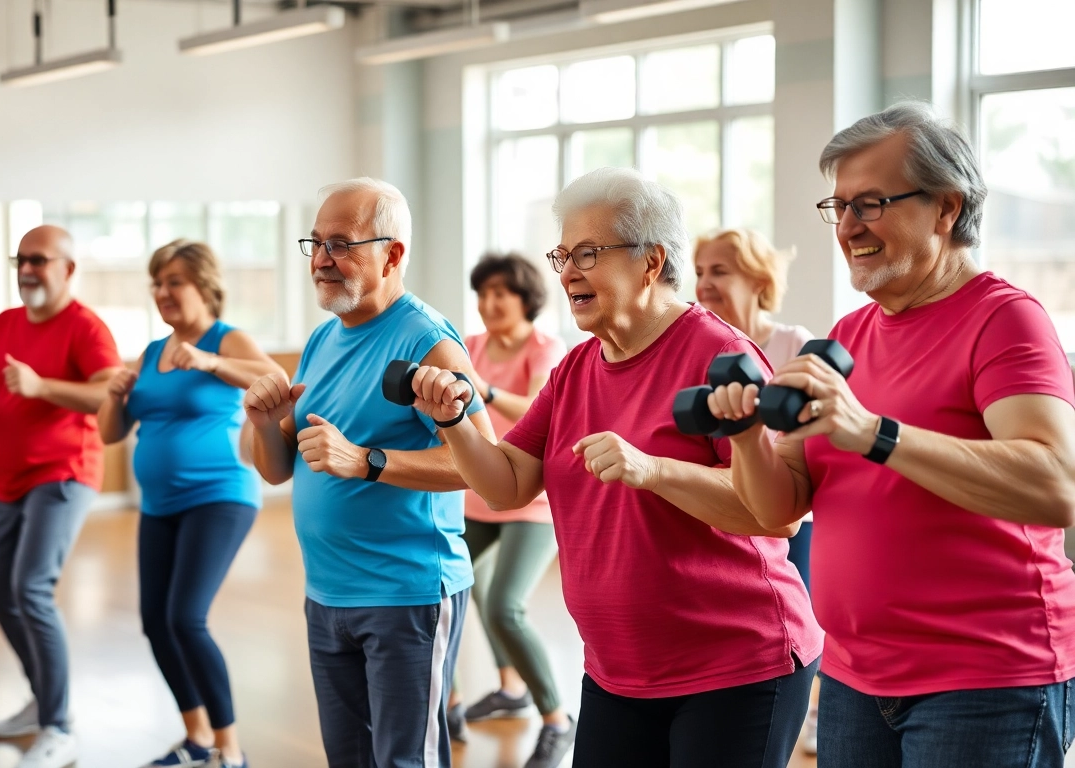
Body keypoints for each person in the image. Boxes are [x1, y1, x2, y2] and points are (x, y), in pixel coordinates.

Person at [409, 167, 822, 768]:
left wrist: (653, 471)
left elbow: (775, 517)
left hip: (737, 665)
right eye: (563, 255)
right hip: (617, 670)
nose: (568, 272)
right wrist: (453, 422)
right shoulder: (575, 370)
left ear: (651, 261)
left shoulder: (721, 354)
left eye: (589, 254)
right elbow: (506, 485)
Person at [712, 102, 1075, 768]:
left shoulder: (1005, 321)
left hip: (986, 677)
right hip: (853, 678)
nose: (848, 226)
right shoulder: (846, 336)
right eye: (840, 206)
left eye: (872, 203)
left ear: (945, 208)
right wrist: (744, 438)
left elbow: (1056, 485)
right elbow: (777, 510)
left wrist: (876, 434)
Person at [242, 177, 495, 768]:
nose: (323, 260)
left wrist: (365, 461)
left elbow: (485, 464)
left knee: (406, 760)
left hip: (407, 593)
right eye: (316, 243)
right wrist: (265, 424)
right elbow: (278, 471)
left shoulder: (429, 343)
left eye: (342, 244)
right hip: (326, 593)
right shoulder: (322, 340)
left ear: (393, 254)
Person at [0, 225, 123, 768]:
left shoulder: (85, 327)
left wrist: (44, 387)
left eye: (40, 260)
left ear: (68, 269)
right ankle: (43, 698)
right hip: (7, 480)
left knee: (30, 588)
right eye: (22, 259)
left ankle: (59, 725)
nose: (28, 269)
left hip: (62, 473)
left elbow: (108, 395)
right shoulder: (4, 324)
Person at [98, 240, 282, 768]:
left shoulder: (228, 338)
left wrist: (211, 361)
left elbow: (277, 382)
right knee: (156, 621)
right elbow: (112, 433)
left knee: (185, 617)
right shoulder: (152, 352)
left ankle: (230, 749)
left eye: (174, 281)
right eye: (157, 283)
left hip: (219, 495)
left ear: (204, 286)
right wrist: (113, 395)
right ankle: (196, 738)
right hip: (159, 504)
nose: (162, 292)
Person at [693, 228, 820, 753]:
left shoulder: (793, 344)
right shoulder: (701, 347)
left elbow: (804, 443)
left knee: (798, 619)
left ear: (758, 279)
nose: (704, 284)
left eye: (719, 271)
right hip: (724, 508)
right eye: (700, 272)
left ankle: (808, 705)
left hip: (789, 512)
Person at [446, 253, 573, 768]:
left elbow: (544, 406)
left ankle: (557, 719)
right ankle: (507, 689)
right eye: (483, 294)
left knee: (504, 605)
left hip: (532, 498)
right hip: (481, 492)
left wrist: (487, 391)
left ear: (525, 299)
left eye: (501, 293)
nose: (489, 303)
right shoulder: (470, 346)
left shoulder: (546, 347)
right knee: (453, 586)